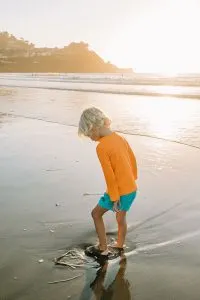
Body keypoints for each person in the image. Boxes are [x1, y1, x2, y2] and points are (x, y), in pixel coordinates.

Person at [78, 107, 138, 257]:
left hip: (118, 192)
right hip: (131, 188)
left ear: (93, 127)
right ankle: (119, 245)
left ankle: (103, 249)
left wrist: (114, 198)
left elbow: (109, 176)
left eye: (89, 134)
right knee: (120, 218)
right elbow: (132, 161)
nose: (91, 139)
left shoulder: (102, 147)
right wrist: (132, 179)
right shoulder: (121, 138)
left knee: (96, 214)